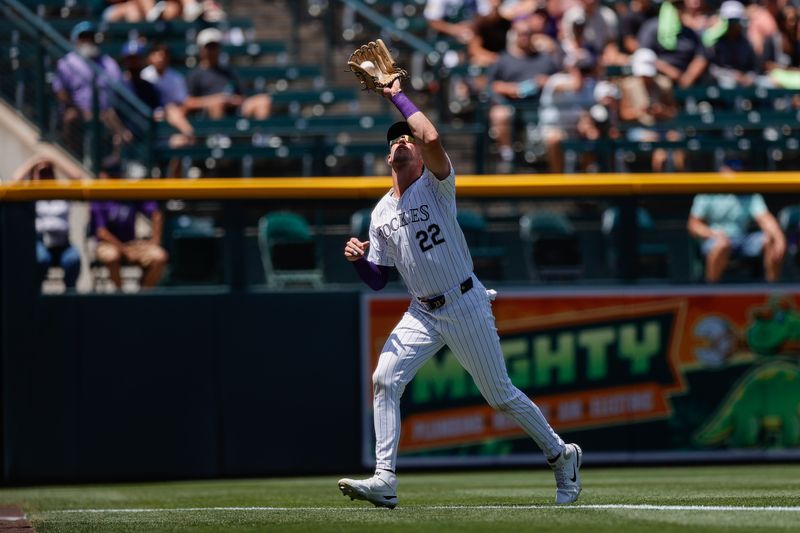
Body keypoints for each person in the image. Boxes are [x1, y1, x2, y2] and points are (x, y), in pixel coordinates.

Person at [337, 76, 581, 508]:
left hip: (463, 299)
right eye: (394, 140)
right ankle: (385, 478)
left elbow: (429, 133)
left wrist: (395, 95)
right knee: (384, 379)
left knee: (500, 395)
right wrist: (359, 261)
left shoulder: (437, 184)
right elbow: (379, 278)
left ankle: (561, 456)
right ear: (386, 153)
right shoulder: (380, 211)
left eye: (405, 139)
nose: (401, 143)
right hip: (422, 311)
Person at [485, 13, 560, 171]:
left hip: (541, 107)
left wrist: (547, 81)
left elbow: (560, 79)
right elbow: (491, 86)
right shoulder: (504, 59)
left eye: (528, 33)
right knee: (499, 114)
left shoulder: (544, 59)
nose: (524, 37)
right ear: (514, 35)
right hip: (512, 106)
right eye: (521, 34)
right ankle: (507, 156)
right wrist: (512, 89)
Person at [52, 21, 131, 157]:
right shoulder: (67, 63)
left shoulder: (108, 63)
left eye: (91, 37)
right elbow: (60, 92)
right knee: (71, 117)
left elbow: (120, 90)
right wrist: (81, 109)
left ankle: (115, 164)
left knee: (121, 128)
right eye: (83, 37)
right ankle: (74, 158)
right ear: (76, 41)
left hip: (107, 112)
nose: (88, 41)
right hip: (79, 111)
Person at [12, 157, 82, 289]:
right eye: (41, 173)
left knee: (74, 259)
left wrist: (53, 161)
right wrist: (34, 161)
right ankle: (38, 298)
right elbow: (15, 180)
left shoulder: (62, 191)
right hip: (40, 243)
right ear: (34, 175)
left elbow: (77, 177)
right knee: (41, 259)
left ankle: (69, 299)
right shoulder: (30, 193)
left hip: (63, 245)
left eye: (48, 172)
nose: (45, 176)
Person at [688, 192, 786, 283]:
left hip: (742, 239)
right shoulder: (707, 194)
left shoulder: (749, 195)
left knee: (769, 240)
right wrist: (713, 234)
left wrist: (779, 238)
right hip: (714, 240)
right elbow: (693, 225)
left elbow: (765, 219)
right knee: (722, 244)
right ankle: (709, 292)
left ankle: (772, 293)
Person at [184, 28, 272, 120]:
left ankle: (262, 133)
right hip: (207, 113)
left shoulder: (229, 72)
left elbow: (242, 97)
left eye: (215, 46)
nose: (212, 50)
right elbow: (188, 102)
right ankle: (219, 133)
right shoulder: (195, 75)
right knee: (216, 104)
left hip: (234, 109)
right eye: (209, 47)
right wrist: (214, 100)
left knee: (263, 100)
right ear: (201, 49)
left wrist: (230, 100)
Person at [90, 194, 168, 290]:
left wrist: (154, 241)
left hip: (132, 244)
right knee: (111, 256)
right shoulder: (100, 195)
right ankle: (121, 296)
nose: (104, 178)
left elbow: (156, 213)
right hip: (108, 244)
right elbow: (101, 233)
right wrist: (124, 250)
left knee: (159, 257)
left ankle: (143, 296)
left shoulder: (127, 190)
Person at [702, 1, 759, 88]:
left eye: (735, 21)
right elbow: (712, 70)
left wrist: (747, 78)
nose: (732, 25)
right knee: (728, 84)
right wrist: (732, 75)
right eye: (730, 21)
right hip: (722, 85)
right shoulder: (716, 43)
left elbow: (754, 68)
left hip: (744, 84)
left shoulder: (746, 43)